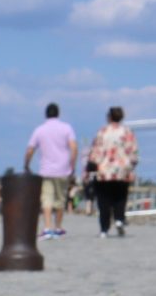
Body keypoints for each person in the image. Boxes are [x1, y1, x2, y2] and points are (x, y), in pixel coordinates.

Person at [24, 102, 79, 238]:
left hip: (46, 170)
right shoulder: (67, 128)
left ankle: (47, 228)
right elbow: (74, 148)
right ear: (58, 113)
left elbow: (30, 149)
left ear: (46, 114)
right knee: (60, 199)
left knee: (46, 199)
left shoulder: (40, 130)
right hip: (63, 169)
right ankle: (58, 227)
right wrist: (72, 164)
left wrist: (26, 164)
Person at [84, 106, 138, 237]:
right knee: (120, 197)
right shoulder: (127, 132)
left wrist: (90, 167)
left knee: (104, 201)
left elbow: (95, 152)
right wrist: (130, 166)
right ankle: (119, 219)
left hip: (104, 171)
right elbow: (133, 153)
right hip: (122, 171)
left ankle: (104, 229)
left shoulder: (102, 132)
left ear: (109, 116)